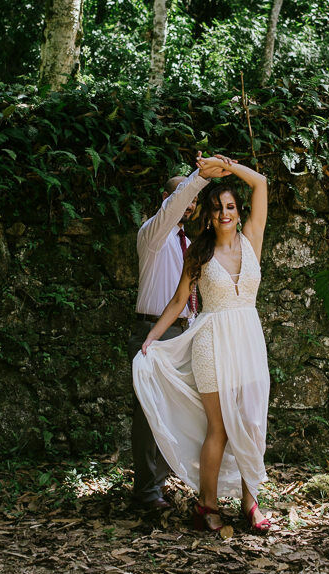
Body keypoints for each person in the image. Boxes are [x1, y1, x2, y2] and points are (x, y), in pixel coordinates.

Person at [133, 155, 271, 533]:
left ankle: (250, 503)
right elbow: (179, 301)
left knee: (252, 422)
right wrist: (151, 338)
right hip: (211, 341)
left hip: (248, 340)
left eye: (229, 206)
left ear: (239, 212)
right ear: (208, 216)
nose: (224, 213)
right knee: (220, 428)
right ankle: (206, 506)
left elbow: (261, 183)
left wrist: (228, 167)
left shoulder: (252, 239)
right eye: (216, 208)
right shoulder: (199, 251)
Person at [128, 153, 232, 511]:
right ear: (167, 202)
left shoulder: (185, 243)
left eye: (193, 205)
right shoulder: (154, 234)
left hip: (183, 332)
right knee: (149, 415)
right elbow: (175, 206)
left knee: (178, 411)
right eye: (181, 201)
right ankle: (145, 495)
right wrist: (198, 177)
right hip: (155, 332)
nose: (188, 208)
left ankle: (165, 483)